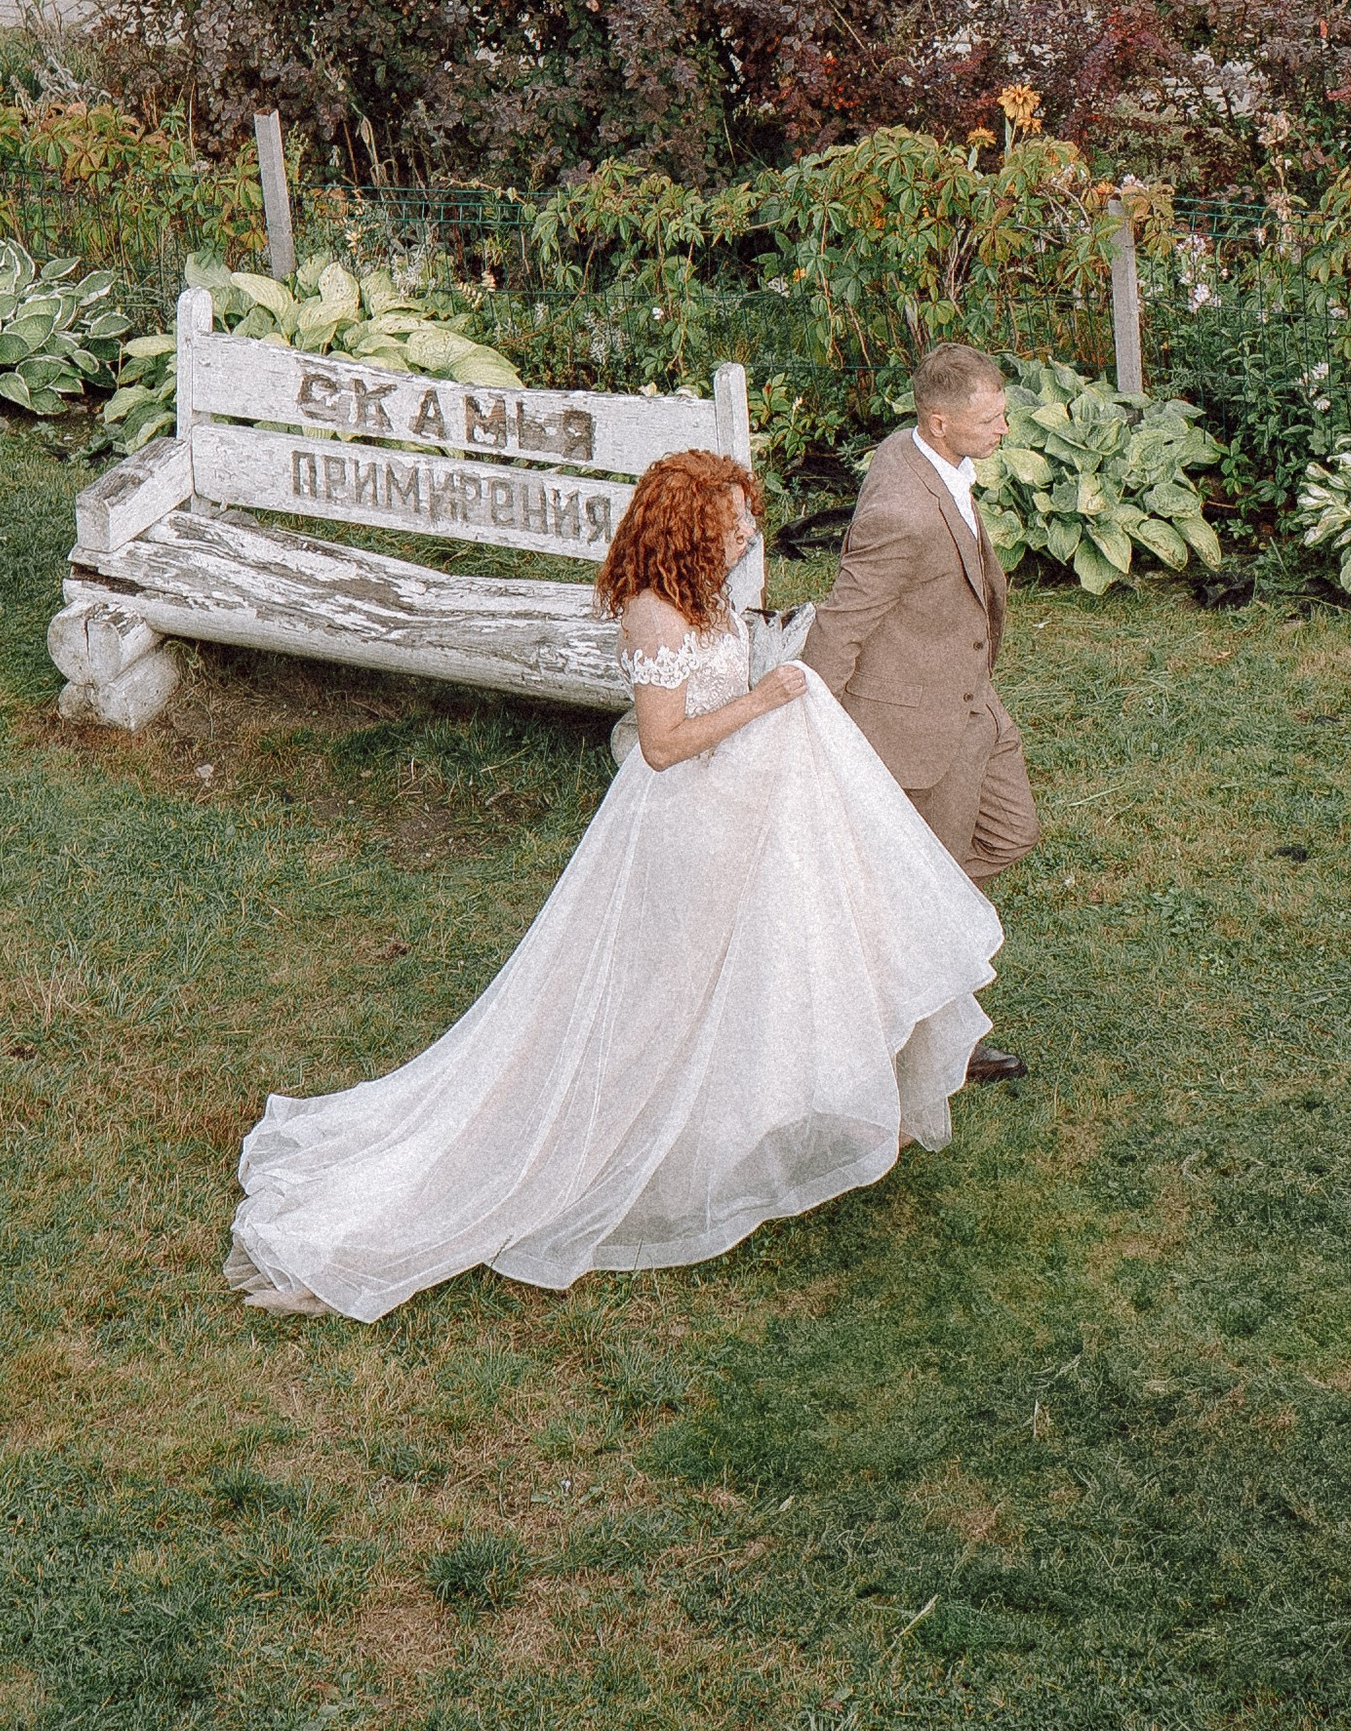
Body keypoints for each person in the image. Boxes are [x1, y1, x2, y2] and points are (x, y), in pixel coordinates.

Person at [223, 449, 1001, 1321]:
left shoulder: (707, 594)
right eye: (732, 519)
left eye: (748, 516)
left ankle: (729, 1121)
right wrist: (767, 698)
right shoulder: (653, 614)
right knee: (659, 999)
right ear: (686, 525)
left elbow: (724, 689)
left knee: (757, 965)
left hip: (735, 804)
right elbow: (664, 746)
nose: (749, 531)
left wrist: (772, 678)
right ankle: (603, 1142)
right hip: (684, 825)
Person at [802, 340, 1037, 1082]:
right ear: (938, 422)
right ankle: (926, 1043)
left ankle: (893, 932)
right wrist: (804, 712)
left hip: (973, 706)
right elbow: (846, 618)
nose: (1004, 430)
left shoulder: (922, 456)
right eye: (991, 420)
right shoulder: (902, 508)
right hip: (917, 725)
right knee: (926, 893)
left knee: (1008, 834)